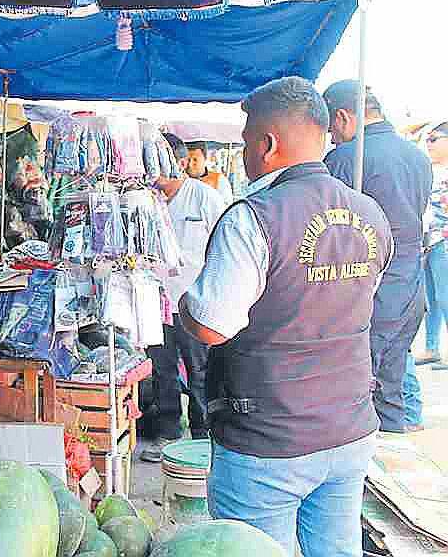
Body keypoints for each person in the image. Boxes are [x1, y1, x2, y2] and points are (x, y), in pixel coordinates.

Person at [179, 77, 392, 557]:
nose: (244, 153)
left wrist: (184, 308)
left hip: (269, 440)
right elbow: (358, 300)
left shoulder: (253, 217)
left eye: (245, 141)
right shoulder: (370, 213)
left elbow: (213, 324)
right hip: (349, 427)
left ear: (267, 144)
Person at [323, 81, 432, 433]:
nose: (332, 139)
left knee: (353, 395)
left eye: (331, 130)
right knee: (391, 390)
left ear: (342, 117)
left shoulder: (346, 158)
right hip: (411, 285)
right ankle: (388, 453)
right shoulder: (417, 156)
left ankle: (354, 482)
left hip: (367, 287)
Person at [140, 134, 225, 463]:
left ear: (177, 162)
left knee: (201, 372)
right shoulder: (147, 201)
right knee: (162, 370)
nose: (152, 174)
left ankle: (204, 439)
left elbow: (222, 246)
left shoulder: (204, 198)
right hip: (156, 302)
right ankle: (167, 434)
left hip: (194, 303)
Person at [420, 120, 448, 368]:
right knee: (430, 299)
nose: (429, 144)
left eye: (434, 139)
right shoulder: (427, 168)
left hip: (445, 241)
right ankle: (431, 347)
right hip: (428, 240)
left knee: (445, 296)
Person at [185, 141, 233, 206]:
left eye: (195, 160)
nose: (190, 165)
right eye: (187, 160)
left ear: (205, 159)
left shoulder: (219, 180)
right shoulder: (179, 180)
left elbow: (227, 208)